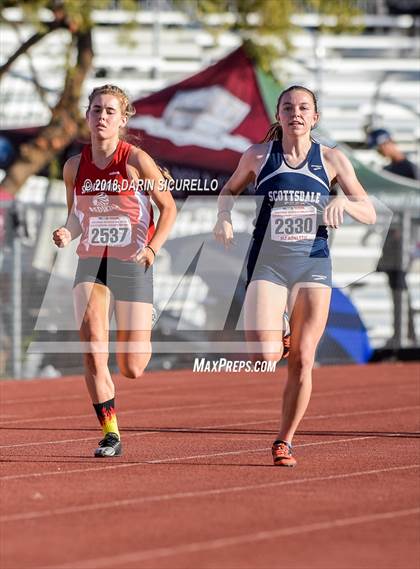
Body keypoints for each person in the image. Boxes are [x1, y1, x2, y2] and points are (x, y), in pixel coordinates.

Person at [214, 85, 376, 467]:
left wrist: (344, 201)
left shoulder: (332, 160)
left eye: (304, 108)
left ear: (314, 118)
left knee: (303, 359)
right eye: (288, 107)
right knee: (264, 356)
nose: (296, 113)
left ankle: (284, 440)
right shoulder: (257, 156)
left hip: (312, 263)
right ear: (278, 116)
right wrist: (223, 217)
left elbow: (369, 211)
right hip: (268, 263)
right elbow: (228, 191)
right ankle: (281, 337)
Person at [53, 84, 177, 457]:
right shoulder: (74, 166)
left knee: (132, 366)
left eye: (110, 111)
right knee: (92, 350)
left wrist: (153, 248)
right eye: (96, 110)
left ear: (122, 120)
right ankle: (111, 433)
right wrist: (66, 231)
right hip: (92, 261)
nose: (102, 117)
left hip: (132, 260)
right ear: (87, 116)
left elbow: (168, 208)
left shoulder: (136, 160)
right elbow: (76, 215)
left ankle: (145, 317)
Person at [367, 128, 418, 345]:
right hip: (393, 234)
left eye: (381, 146)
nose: (381, 151)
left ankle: (405, 335)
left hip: (407, 234)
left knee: (398, 277)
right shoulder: (387, 170)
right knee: (394, 278)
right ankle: (404, 334)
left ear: (389, 142)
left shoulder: (409, 169)